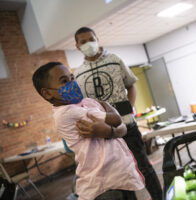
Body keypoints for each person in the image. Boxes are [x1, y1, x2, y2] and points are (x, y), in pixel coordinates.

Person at [32, 62, 144, 200]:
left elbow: (121, 129)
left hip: (117, 176)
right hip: (105, 182)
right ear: (47, 93)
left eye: (72, 78)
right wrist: (108, 107)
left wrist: (110, 131)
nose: (72, 83)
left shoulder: (84, 104)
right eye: (64, 81)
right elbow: (116, 120)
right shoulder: (68, 112)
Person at [74, 27, 163, 200]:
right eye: (83, 41)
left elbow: (130, 85)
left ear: (97, 39)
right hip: (102, 135)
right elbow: (83, 105)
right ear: (77, 46)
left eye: (91, 39)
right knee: (119, 176)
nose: (88, 44)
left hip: (126, 126)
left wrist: (126, 109)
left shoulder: (114, 60)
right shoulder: (78, 74)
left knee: (143, 166)